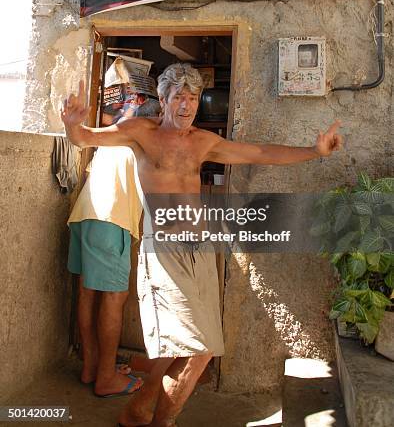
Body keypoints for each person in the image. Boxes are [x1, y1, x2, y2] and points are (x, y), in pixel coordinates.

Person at [61, 63, 343, 426]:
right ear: (163, 100)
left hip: (200, 251)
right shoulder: (139, 132)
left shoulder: (202, 141)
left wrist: (314, 151)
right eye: (179, 97)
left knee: (192, 347)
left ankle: (139, 410)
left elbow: (257, 153)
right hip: (163, 250)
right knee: (197, 348)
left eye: (193, 98)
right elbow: (87, 139)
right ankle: (161, 419)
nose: (187, 105)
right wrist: (73, 125)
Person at [67, 97, 160, 398]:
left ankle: (92, 367)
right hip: (111, 222)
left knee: (86, 292)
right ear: (155, 121)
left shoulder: (113, 139)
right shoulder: (146, 141)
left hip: (83, 217)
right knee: (114, 297)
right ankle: (106, 378)